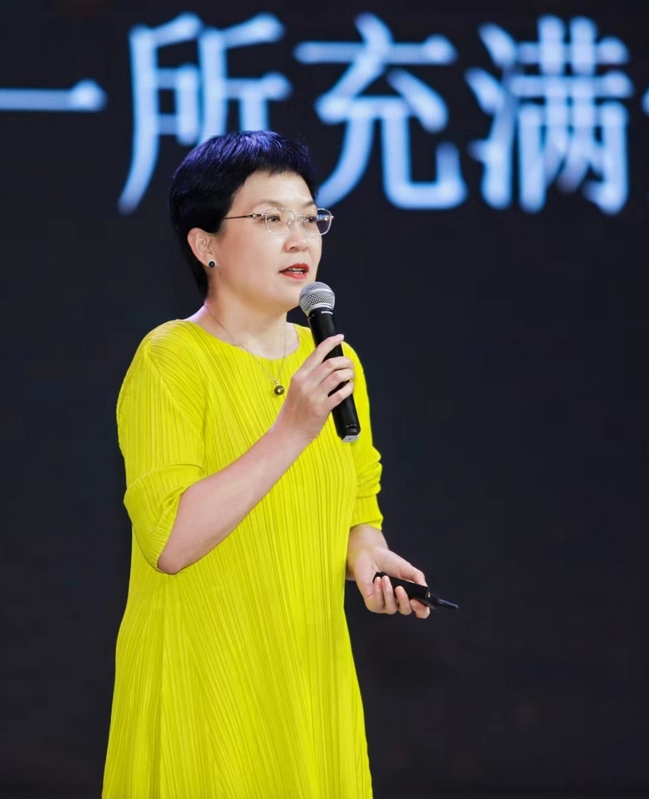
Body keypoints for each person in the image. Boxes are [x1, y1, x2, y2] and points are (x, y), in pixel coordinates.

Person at [102, 130, 433, 798]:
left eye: (310, 219)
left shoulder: (333, 360)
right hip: (206, 683)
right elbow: (169, 540)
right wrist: (290, 430)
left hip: (307, 680)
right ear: (206, 244)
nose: (299, 238)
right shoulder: (170, 360)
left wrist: (367, 555)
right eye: (272, 219)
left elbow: (357, 500)